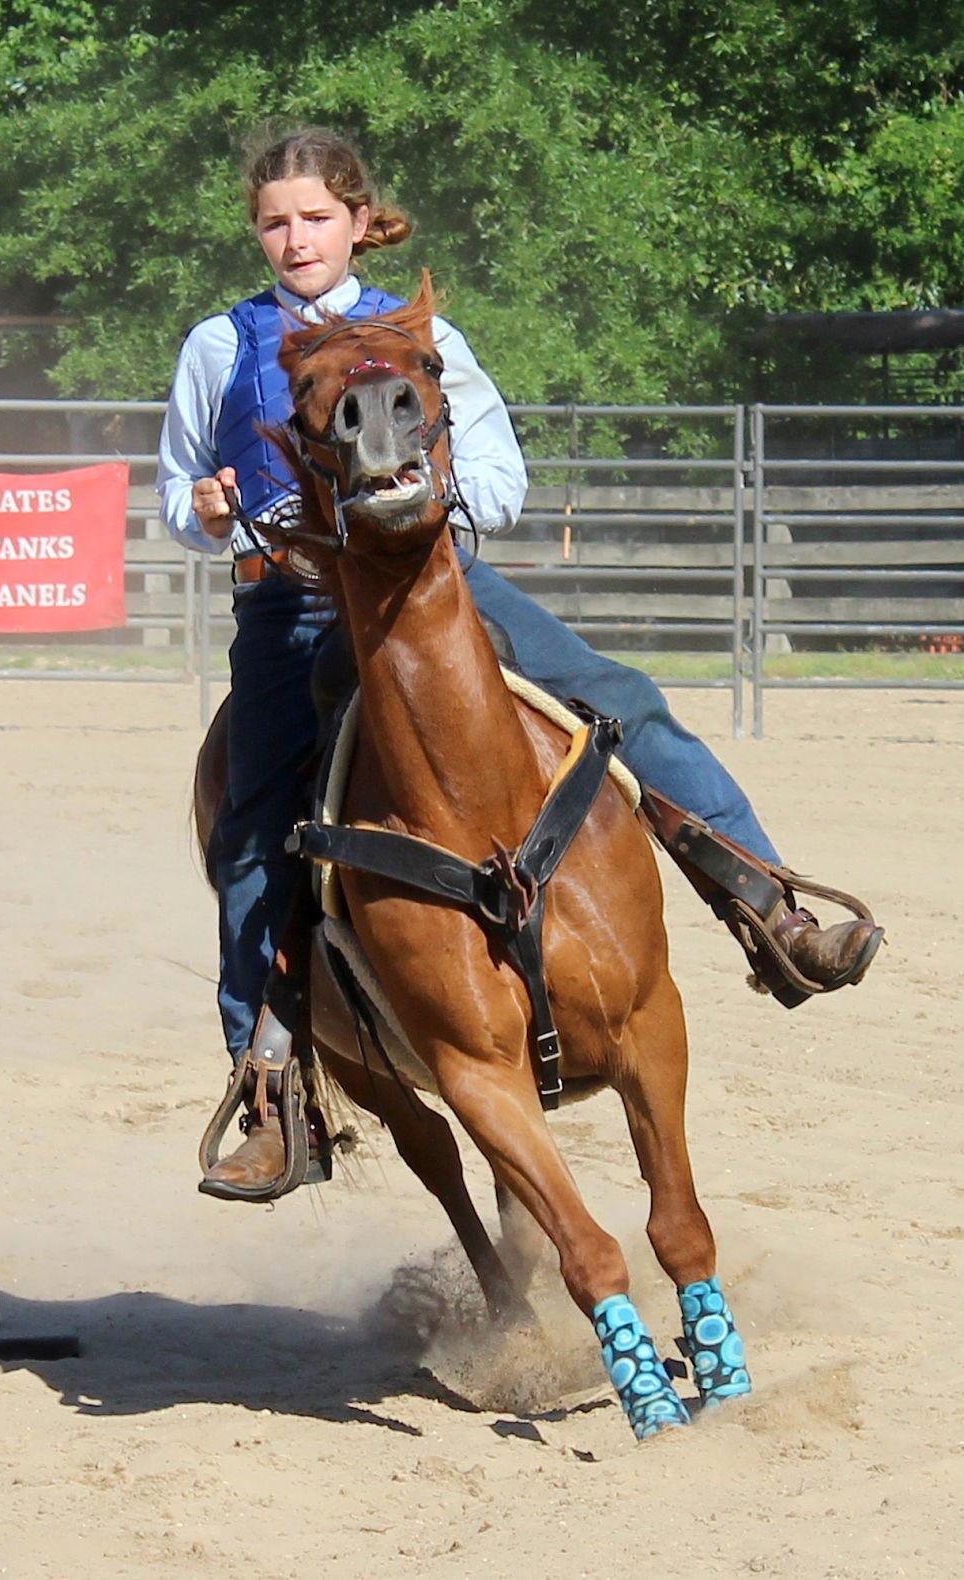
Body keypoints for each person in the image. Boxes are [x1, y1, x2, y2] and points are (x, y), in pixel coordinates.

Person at [156, 127, 882, 1194]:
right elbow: (181, 493)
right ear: (256, 232)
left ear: (360, 221)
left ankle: (768, 904)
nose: (294, 238)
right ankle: (271, 1083)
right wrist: (209, 506)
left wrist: (427, 489)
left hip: (433, 589)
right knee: (258, 825)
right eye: (274, 221)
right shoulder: (220, 347)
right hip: (298, 610)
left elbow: (498, 479)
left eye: (315, 217)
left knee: (622, 697)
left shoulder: (426, 333)